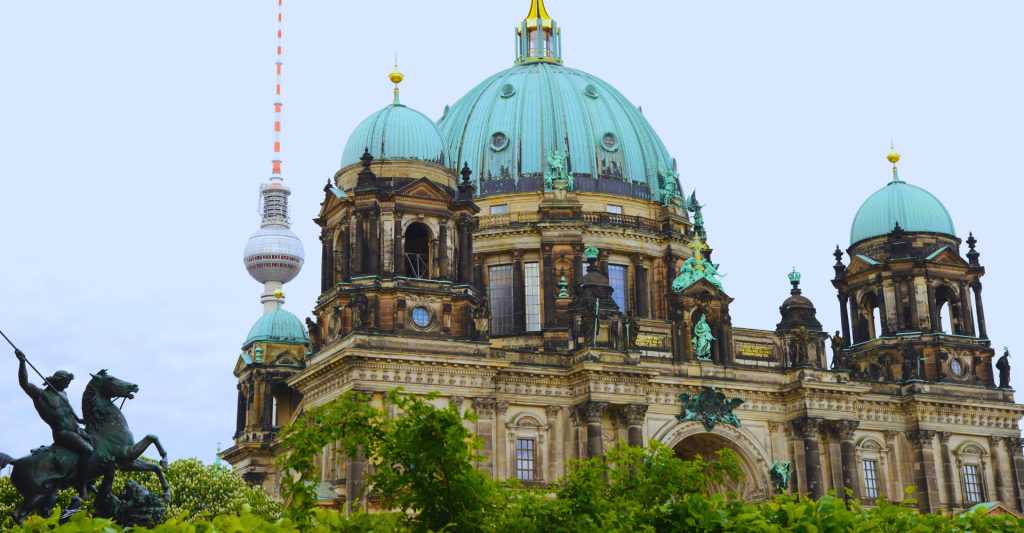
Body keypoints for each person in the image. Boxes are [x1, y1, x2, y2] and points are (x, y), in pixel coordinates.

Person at [16, 349, 94, 501]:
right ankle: (82, 485)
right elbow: (23, 383)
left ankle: (90, 480)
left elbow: (68, 410)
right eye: (65, 383)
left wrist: (79, 419)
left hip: (76, 429)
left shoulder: (62, 394)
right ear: (57, 380)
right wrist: (22, 362)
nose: (66, 386)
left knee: (99, 448)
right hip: (63, 432)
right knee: (87, 450)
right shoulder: (41, 395)